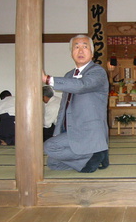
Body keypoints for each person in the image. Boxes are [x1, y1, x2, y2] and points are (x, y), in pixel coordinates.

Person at [42, 34, 109, 172]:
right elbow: (63, 108)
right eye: (76, 47)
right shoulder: (68, 75)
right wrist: (57, 131)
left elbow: (82, 85)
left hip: (88, 131)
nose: (80, 51)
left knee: (50, 147)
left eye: (85, 47)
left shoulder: (97, 72)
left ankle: (93, 154)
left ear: (92, 52)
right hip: (71, 130)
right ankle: (89, 159)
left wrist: (48, 79)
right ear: (71, 53)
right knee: (53, 164)